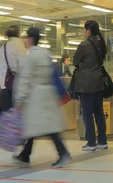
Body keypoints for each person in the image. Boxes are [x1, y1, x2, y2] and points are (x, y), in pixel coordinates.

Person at [13, 27, 71, 168]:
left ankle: (62, 153)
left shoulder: (31, 56)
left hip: (36, 96)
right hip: (46, 94)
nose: (24, 41)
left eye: (26, 38)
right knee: (35, 126)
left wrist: (20, 98)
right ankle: (25, 155)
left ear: (31, 39)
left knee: (44, 127)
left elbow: (26, 79)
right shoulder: (45, 54)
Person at [73, 20, 107, 152]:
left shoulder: (84, 44)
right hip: (98, 82)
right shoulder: (101, 43)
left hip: (86, 84)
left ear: (88, 31)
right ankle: (102, 141)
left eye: (84, 29)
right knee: (98, 112)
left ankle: (91, 142)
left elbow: (75, 61)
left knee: (87, 113)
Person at [0, 26, 27, 115]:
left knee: (7, 115)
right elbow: (24, 66)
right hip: (17, 86)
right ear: (18, 34)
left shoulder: (3, 47)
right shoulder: (19, 46)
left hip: (4, 85)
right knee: (19, 116)